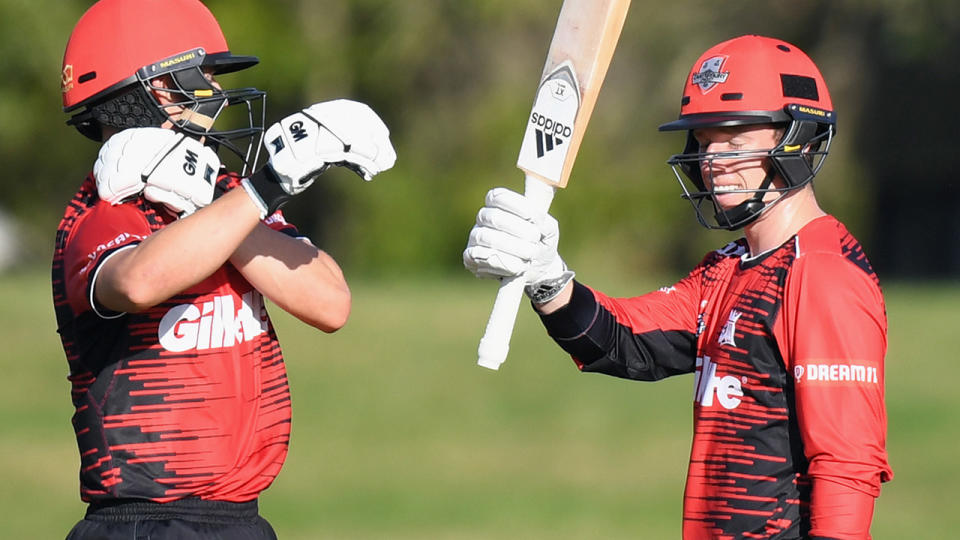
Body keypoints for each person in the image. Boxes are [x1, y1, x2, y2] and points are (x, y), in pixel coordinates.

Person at [464, 34, 892, 539]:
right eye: (706, 143)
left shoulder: (823, 273)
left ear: (796, 138)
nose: (714, 162)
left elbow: (846, 466)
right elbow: (624, 343)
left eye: (735, 142)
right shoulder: (728, 269)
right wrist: (547, 277)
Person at [53, 0, 395, 538]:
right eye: (203, 76)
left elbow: (330, 303)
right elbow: (139, 280)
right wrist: (262, 189)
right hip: (146, 522)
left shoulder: (228, 200)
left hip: (238, 518)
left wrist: (237, 203)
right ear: (158, 89)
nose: (216, 96)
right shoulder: (101, 212)